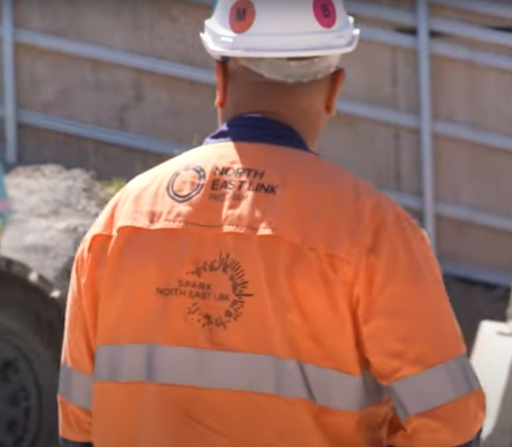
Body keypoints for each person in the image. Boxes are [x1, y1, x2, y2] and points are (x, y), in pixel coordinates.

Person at [56, 0, 485, 446]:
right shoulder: (374, 231)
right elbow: (448, 424)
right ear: (335, 90)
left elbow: (79, 425)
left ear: (220, 81)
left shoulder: (122, 221)